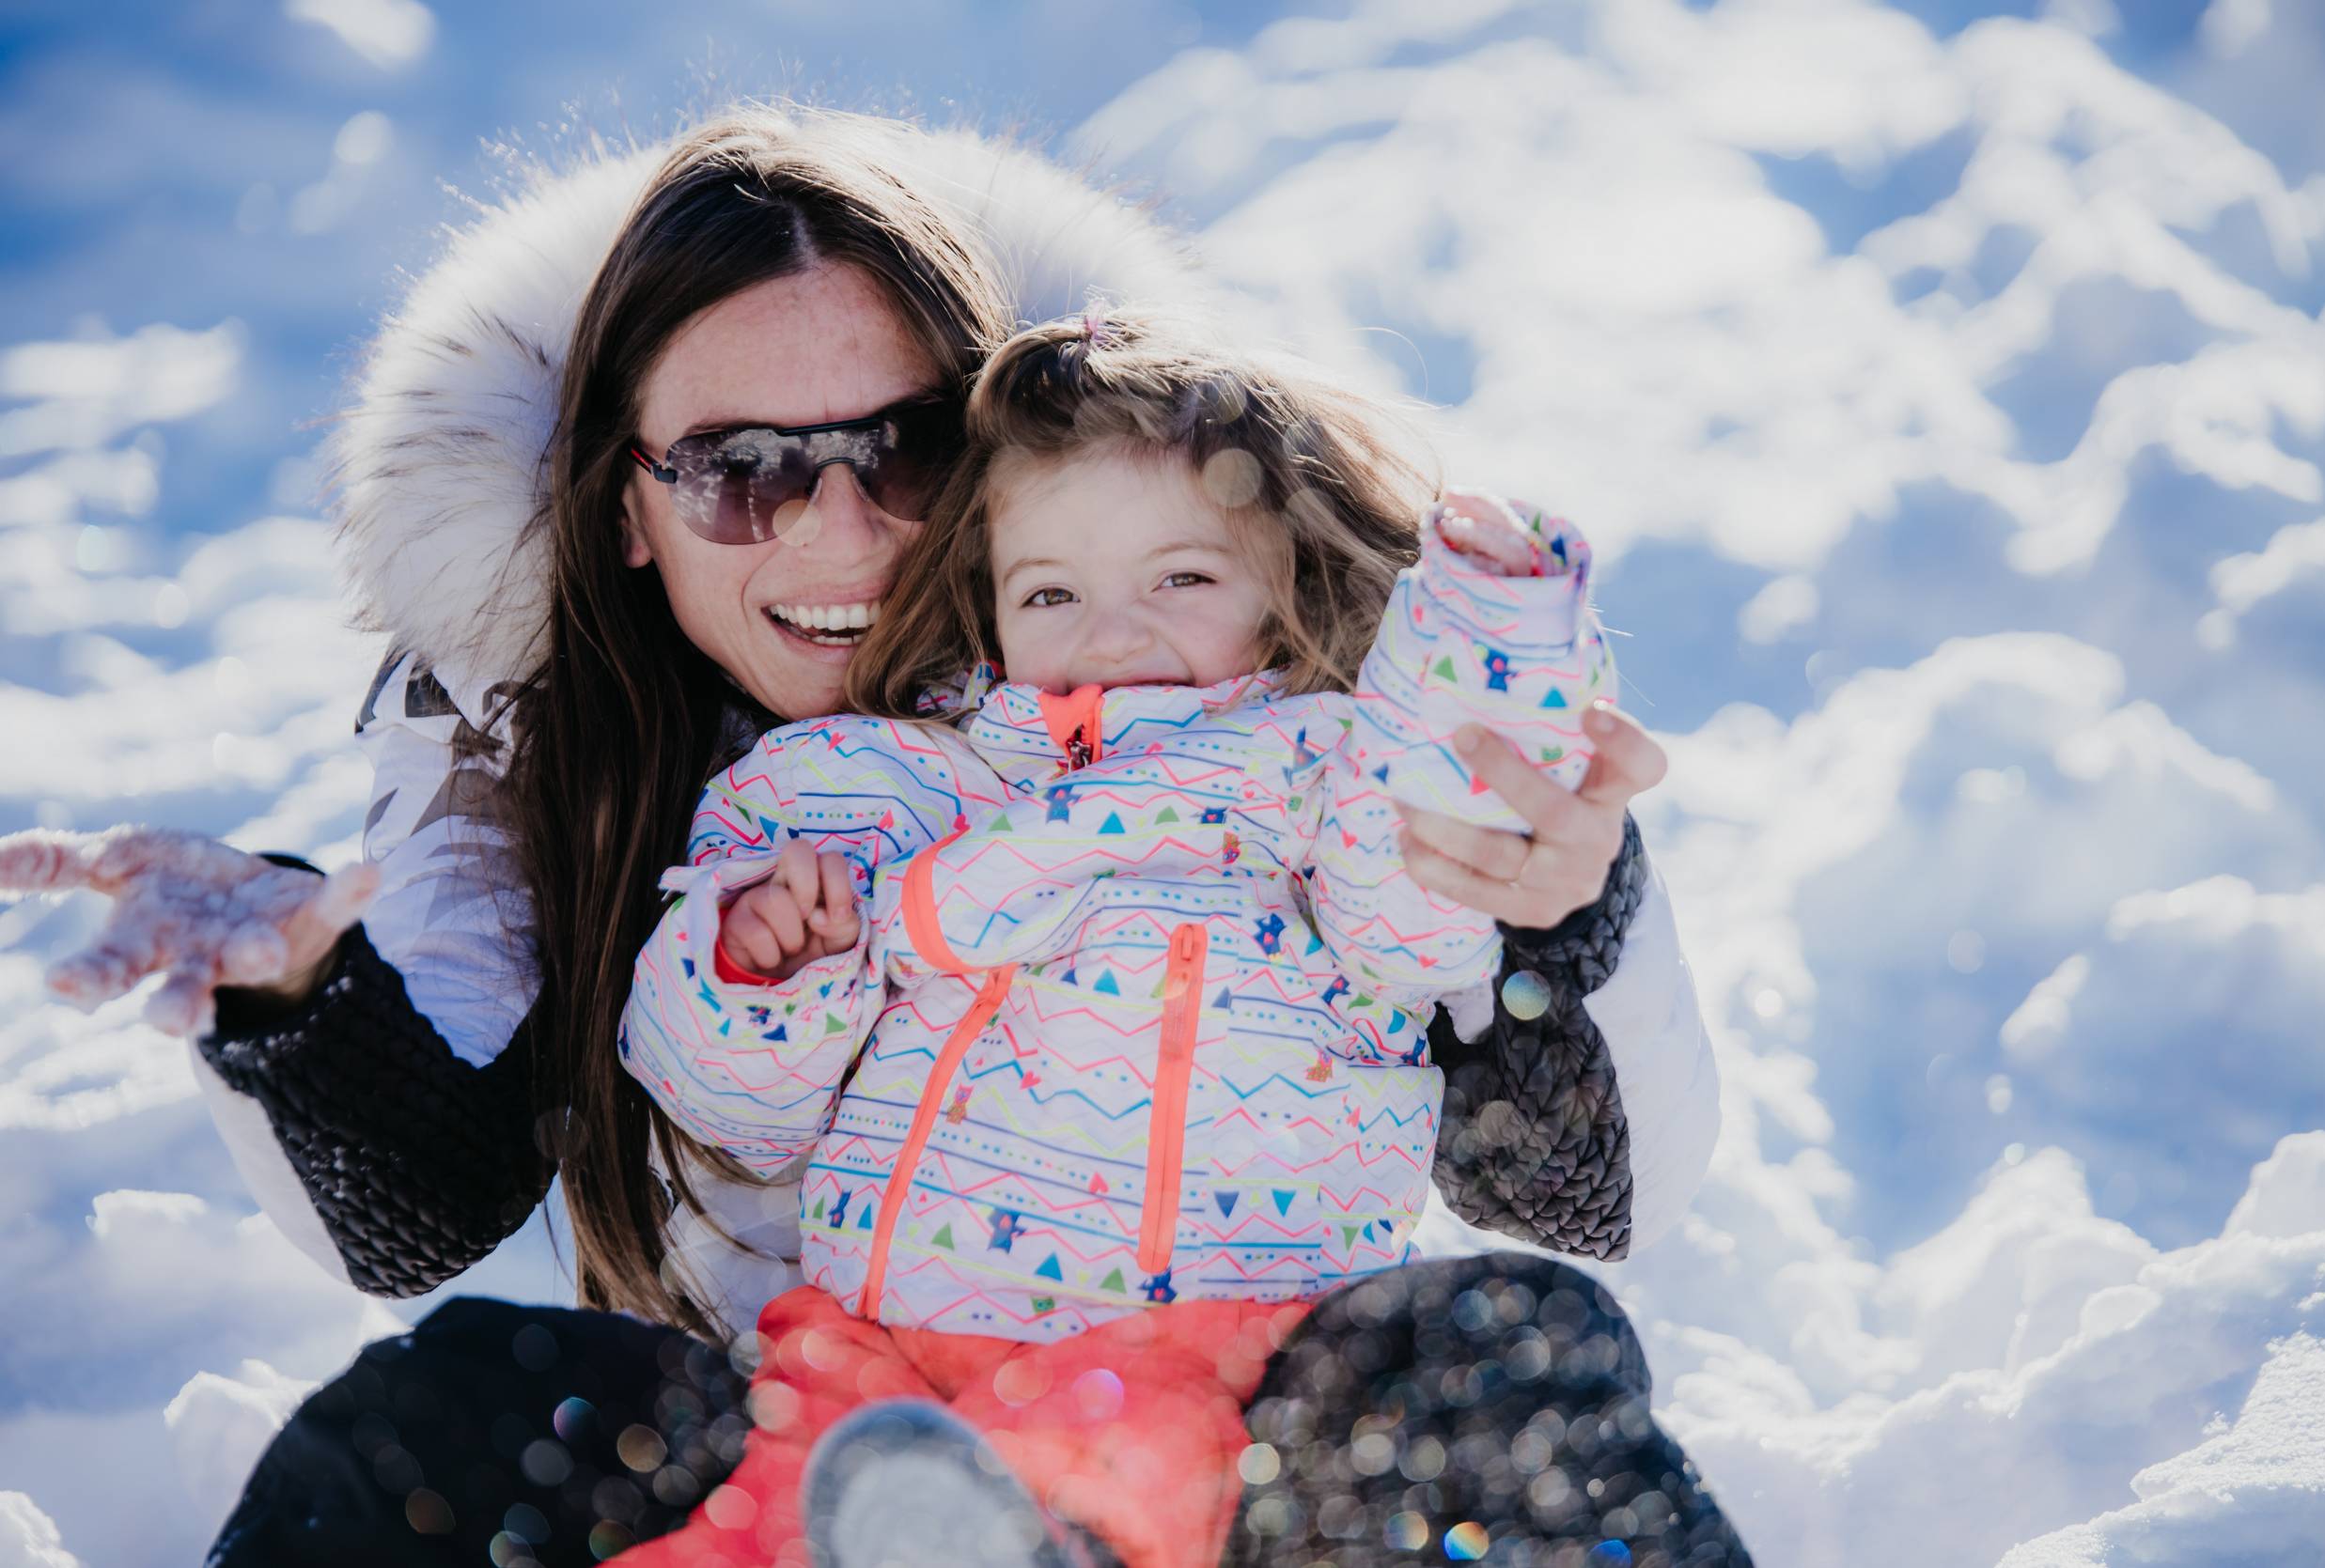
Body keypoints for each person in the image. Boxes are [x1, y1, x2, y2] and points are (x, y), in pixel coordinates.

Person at [0, 102, 1736, 1566]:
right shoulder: (536, 730)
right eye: (744, 466)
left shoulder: (1239, 649)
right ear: (622, 507)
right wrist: (306, 1002)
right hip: (821, 1411)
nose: (841, 532)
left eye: (904, 446)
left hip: (1239, 1400)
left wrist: (1551, 909)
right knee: (449, 1417)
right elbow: (424, 1213)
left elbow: (1587, 1186)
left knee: (1500, 1365)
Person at [613, 306, 1630, 1568]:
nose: (1111, 631)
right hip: (888, 1330)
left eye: (1181, 577)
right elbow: (724, 1098)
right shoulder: (886, 786)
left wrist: (1489, 641)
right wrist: (763, 967)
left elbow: (1435, 884)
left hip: (1210, 1337)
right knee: (764, 1501)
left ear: (1284, 587)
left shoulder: (1324, 788)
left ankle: (1047, 1548)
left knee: (1144, 1453)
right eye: (1052, 590)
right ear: (985, 609)